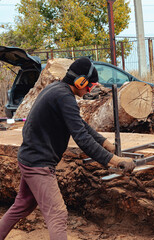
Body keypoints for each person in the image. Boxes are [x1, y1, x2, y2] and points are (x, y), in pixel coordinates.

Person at [0, 57, 136, 239]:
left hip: (30, 157)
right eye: (91, 85)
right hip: (38, 164)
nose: (90, 89)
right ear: (81, 81)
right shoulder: (64, 96)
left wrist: (104, 142)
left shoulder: (57, 90)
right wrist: (115, 160)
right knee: (57, 214)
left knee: (22, 204)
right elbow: (82, 139)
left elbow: (79, 124)